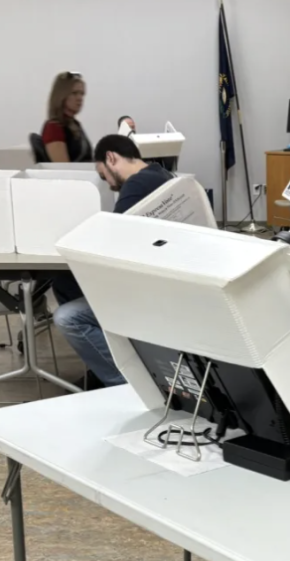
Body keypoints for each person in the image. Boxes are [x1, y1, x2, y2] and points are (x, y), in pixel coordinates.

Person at [52, 134, 175, 388]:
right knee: (64, 281)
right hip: (160, 285)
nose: (108, 184)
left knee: (67, 315)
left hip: (146, 295)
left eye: (103, 174)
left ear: (111, 157)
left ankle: (124, 384)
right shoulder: (161, 175)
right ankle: (101, 368)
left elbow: (115, 240)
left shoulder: (138, 184)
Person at [41, 71, 92, 162]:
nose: (79, 98)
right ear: (62, 95)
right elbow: (64, 168)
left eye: (82, 94)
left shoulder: (75, 124)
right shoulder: (54, 128)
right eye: (74, 93)